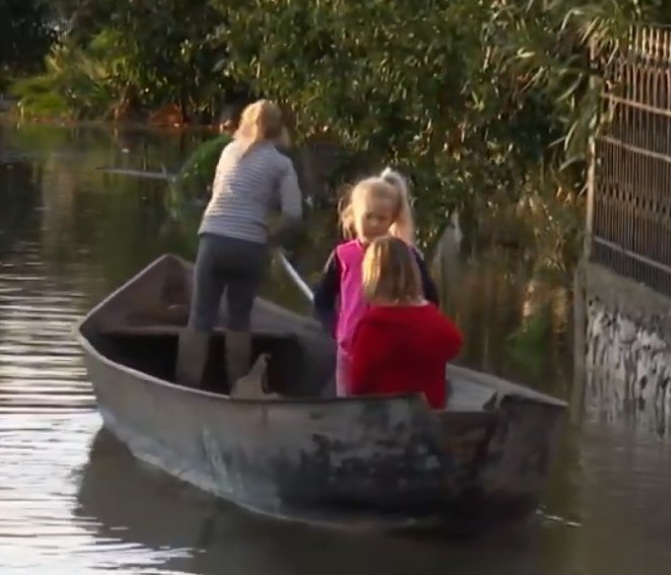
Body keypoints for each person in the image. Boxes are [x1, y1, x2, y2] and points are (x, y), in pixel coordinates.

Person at [177, 99, 303, 395]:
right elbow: (294, 216)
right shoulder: (282, 164)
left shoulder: (228, 151)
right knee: (239, 319)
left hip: (214, 239)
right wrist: (270, 237)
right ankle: (237, 389)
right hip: (249, 246)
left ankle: (185, 388)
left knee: (201, 317)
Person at [312, 168, 439, 395]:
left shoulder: (405, 255)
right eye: (368, 216)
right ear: (354, 216)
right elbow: (322, 298)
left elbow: (430, 299)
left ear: (392, 219)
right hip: (350, 345)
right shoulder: (343, 255)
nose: (373, 223)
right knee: (349, 401)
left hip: (392, 348)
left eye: (381, 218)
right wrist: (335, 327)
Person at [349, 236, 463, 408]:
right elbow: (454, 343)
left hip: (386, 417)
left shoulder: (375, 325)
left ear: (371, 275)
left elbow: (358, 383)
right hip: (429, 415)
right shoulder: (432, 317)